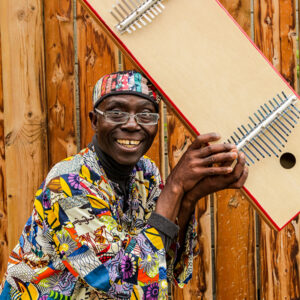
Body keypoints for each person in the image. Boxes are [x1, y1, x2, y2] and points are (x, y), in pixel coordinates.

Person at [0, 70, 248, 299]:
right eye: (116, 113)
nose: (132, 124)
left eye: (145, 114)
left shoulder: (146, 173)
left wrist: (192, 194)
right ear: (94, 121)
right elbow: (119, 284)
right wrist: (175, 186)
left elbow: (160, 257)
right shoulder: (67, 184)